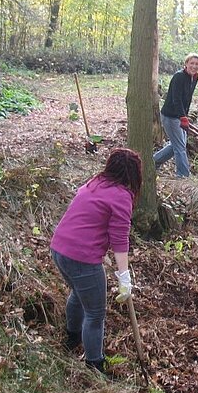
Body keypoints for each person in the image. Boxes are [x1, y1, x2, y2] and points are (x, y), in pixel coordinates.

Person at [50, 148, 143, 373]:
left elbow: (90, 221)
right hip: (81, 258)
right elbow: (119, 240)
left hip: (59, 249)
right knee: (95, 313)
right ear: (133, 174)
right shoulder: (122, 196)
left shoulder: (94, 183)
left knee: (77, 293)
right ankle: (95, 365)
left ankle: (72, 338)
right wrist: (124, 277)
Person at [153, 53, 198, 178]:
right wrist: (182, 117)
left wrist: (185, 115)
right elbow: (176, 99)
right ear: (186, 64)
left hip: (179, 115)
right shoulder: (179, 77)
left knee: (177, 144)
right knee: (180, 147)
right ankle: (183, 176)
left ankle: (153, 162)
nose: (194, 66)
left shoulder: (194, 78)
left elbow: (187, 99)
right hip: (170, 116)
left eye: (197, 64)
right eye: (191, 63)